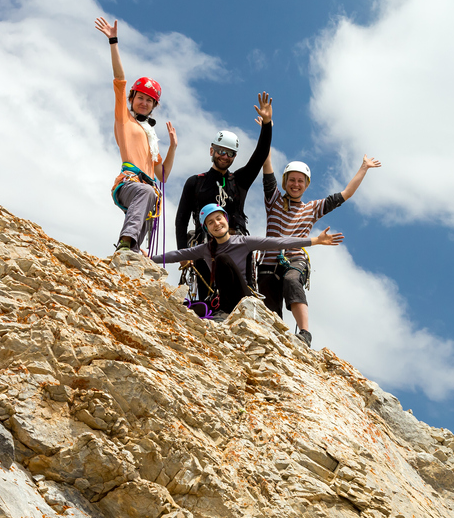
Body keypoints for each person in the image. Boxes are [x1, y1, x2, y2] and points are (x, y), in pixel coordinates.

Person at [258, 152, 381, 346]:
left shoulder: (312, 208)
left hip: (294, 259)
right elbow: (267, 164)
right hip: (268, 262)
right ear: (284, 182)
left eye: (300, 181)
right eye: (291, 180)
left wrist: (364, 167)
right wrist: (266, 129)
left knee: (292, 281)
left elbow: (346, 194)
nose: (295, 184)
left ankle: (305, 333)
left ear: (306, 185)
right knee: (269, 302)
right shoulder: (273, 201)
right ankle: (272, 338)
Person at [153, 204, 344, 322]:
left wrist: (315, 241)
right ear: (207, 229)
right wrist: (148, 258)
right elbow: (177, 254)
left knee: (222, 259)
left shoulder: (243, 242)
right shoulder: (204, 249)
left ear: (226, 219)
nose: (216, 223)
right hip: (222, 299)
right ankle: (220, 311)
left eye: (219, 218)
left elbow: (279, 242)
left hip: (244, 296)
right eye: (210, 222)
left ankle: (224, 312)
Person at [173, 93, 274, 302]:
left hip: (236, 243)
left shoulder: (240, 181)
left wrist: (267, 124)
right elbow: (181, 219)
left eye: (229, 153)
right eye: (220, 150)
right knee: (207, 297)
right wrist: (183, 253)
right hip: (204, 244)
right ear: (212, 150)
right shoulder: (195, 182)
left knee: (240, 294)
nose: (224, 156)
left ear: (234, 157)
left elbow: (260, 155)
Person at [95, 17, 178, 253]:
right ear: (132, 99)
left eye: (149, 100)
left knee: (150, 193)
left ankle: (130, 250)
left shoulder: (151, 136)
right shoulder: (125, 119)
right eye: (140, 97)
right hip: (130, 184)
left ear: (154, 106)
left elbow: (162, 175)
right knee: (145, 192)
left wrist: (172, 147)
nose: (143, 102)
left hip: (148, 190)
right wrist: (113, 41)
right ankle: (127, 241)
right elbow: (120, 80)